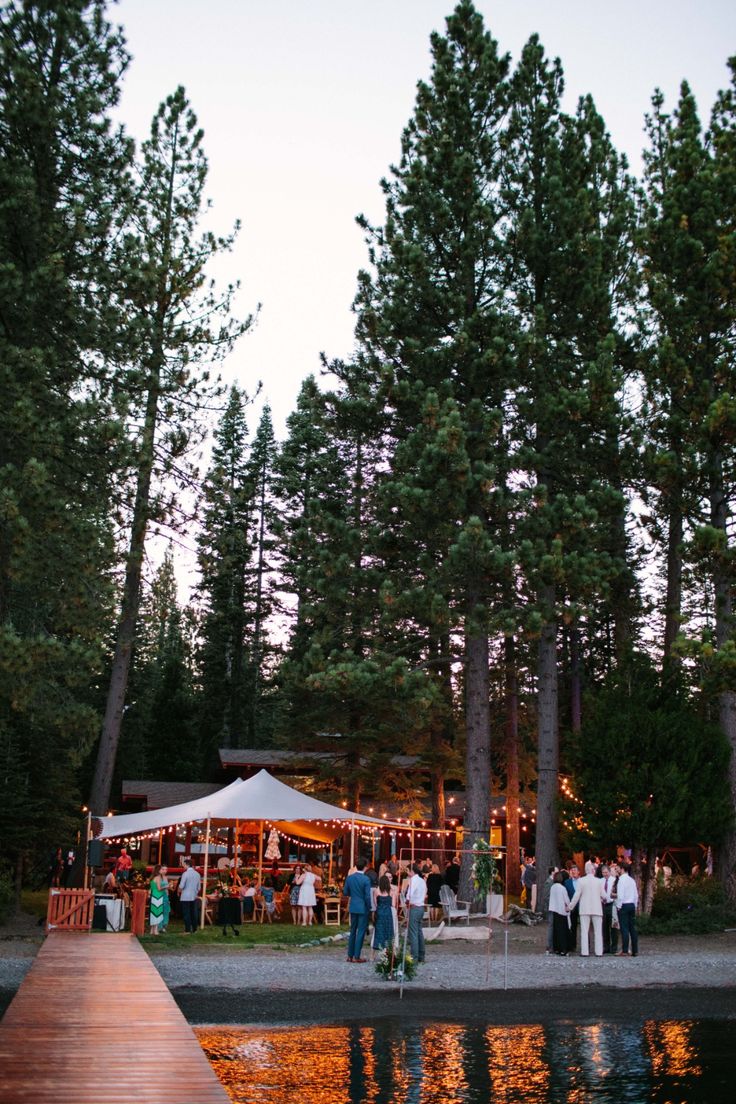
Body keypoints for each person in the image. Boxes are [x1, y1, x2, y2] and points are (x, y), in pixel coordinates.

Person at [568, 860, 605, 957]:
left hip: (584, 909)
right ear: (594, 871)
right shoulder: (599, 881)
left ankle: (585, 952)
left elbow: (576, 895)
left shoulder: (581, 881)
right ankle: (599, 952)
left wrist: (570, 906)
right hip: (597, 908)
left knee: (584, 931)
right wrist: (608, 899)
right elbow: (604, 895)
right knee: (598, 931)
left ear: (585, 871)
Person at [343, 857, 373, 962]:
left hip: (353, 906)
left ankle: (350, 955)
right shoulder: (366, 879)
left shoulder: (350, 878)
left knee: (352, 931)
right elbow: (367, 896)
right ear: (365, 867)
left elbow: (345, 892)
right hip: (363, 907)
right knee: (360, 931)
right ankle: (357, 956)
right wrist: (370, 907)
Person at [615, 862, 639, 957]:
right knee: (632, 928)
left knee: (624, 928)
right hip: (631, 905)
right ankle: (635, 950)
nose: (617, 870)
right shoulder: (632, 880)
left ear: (622, 869)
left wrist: (618, 906)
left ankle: (625, 950)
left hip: (624, 905)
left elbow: (620, 895)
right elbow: (636, 895)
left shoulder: (621, 880)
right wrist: (635, 905)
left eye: (618, 868)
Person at [406, 861, 427, 965]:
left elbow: (409, 894)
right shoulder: (422, 880)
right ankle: (421, 955)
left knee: (413, 933)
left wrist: (406, 899)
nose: (407, 873)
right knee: (419, 931)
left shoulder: (413, 881)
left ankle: (414, 957)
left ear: (411, 871)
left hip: (414, 907)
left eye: (407, 871)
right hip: (421, 907)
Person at [371, 874, 394, 956]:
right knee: (388, 932)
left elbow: (375, 903)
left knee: (378, 933)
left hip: (380, 913)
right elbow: (393, 904)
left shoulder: (376, 891)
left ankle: (372, 956)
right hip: (388, 913)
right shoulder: (391, 891)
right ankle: (389, 954)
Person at [177, 858, 202, 934]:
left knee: (186, 913)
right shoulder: (197, 874)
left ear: (187, 865)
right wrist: (195, 892)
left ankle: (187, 930)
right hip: (194, 896)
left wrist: (178, 891)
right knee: (193, 913)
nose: (183, 866)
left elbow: (181, 885)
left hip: (185, 896)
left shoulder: (185, 874)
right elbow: (199, 887)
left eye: (184, 864)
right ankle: (195, 929)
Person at [549, 870, 571, 955]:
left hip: (554, 910)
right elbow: (566, 899)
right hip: (562, 910)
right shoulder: (562, 888)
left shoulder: (553, 887)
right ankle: (563, 948)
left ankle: (557, 948)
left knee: (556, 930)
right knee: (563, 930)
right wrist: (569, 906)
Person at [600, 864, 618, 954]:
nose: (605, 874)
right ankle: (606, 946)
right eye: (603, 873)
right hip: (603, 905)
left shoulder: (614, 880)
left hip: (612, 904)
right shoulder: (600, 881)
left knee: (613, 927)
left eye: (606, 872)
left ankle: (614, 947)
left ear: (609, 872)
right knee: (604, 927)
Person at [564, 864, 580, 952]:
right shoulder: (567, 882)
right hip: (572, 907)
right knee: (572, 926)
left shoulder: (582, 881)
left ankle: (587, 945)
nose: (573, 872)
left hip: (582, 906)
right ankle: (572, 945)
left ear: (578, 872)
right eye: (572, 871)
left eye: (575, 870)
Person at [149, 864, 165, 935]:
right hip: (158, 896)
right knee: (157, 912)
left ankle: (152, 930)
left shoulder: (152, 877)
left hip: (153, 896)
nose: (162, 870)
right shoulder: (158, 877)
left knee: (153, 912)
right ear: (158, 870)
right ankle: (155, 930)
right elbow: (159, 888)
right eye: (161, 869)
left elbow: (151, 889)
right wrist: (166, 887)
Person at [159, 865, 171, 933]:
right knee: (160, 911)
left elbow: (166, 888)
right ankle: (159, 926)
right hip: (160, 895)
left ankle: (164, 926)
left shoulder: (166, 877)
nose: (164, 871)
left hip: (166, 896)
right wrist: (166, 886)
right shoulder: (158, 878)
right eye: (163, 869)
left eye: (166, 869)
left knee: (166, 911)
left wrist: (168, 888)